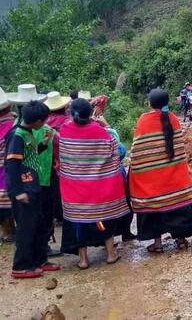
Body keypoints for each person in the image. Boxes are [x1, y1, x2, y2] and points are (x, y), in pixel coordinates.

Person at [56, 99, 129, 269]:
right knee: (104, 220)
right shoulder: (99, 131)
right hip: (98, 189)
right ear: (90, 114)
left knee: (80, 222)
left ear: (71, 114)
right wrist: (106, 125)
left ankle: (83, 260)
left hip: (76, 190)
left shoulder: (65, 130)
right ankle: (111, 254)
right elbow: (117, 150)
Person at [129, 89, 192, 253]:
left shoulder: (144, 120)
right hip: (174, 177)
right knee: (176, 205)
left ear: (149, 103)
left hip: (153, 180)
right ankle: (182, 240)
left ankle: (158, 244)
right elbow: (178, 147)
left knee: (155, 208)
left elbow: (137, 149)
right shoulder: (173, 118)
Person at [4, 101, 60, 278]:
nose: (45, 123)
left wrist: (43, 143)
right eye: (44, 120)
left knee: (39, 223)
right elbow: (12, 165)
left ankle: (39, 260)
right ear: (37, 121)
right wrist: (18, 191)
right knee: (26, 228)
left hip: (33, 186)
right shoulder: (17, 135)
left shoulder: (28, 133)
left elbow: (31, 156)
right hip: (23, 189)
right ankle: (20, 266)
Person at [44, 92, 72, 224]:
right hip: (66, 159)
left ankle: (57, 214)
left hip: (50, 160)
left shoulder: (44, 123)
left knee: (54, 189)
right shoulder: (68, 121)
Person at [0, 87, 16, 243]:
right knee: (9, 197)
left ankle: (7, 230)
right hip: (8, 165)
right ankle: (9, 229)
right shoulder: (13, 122)